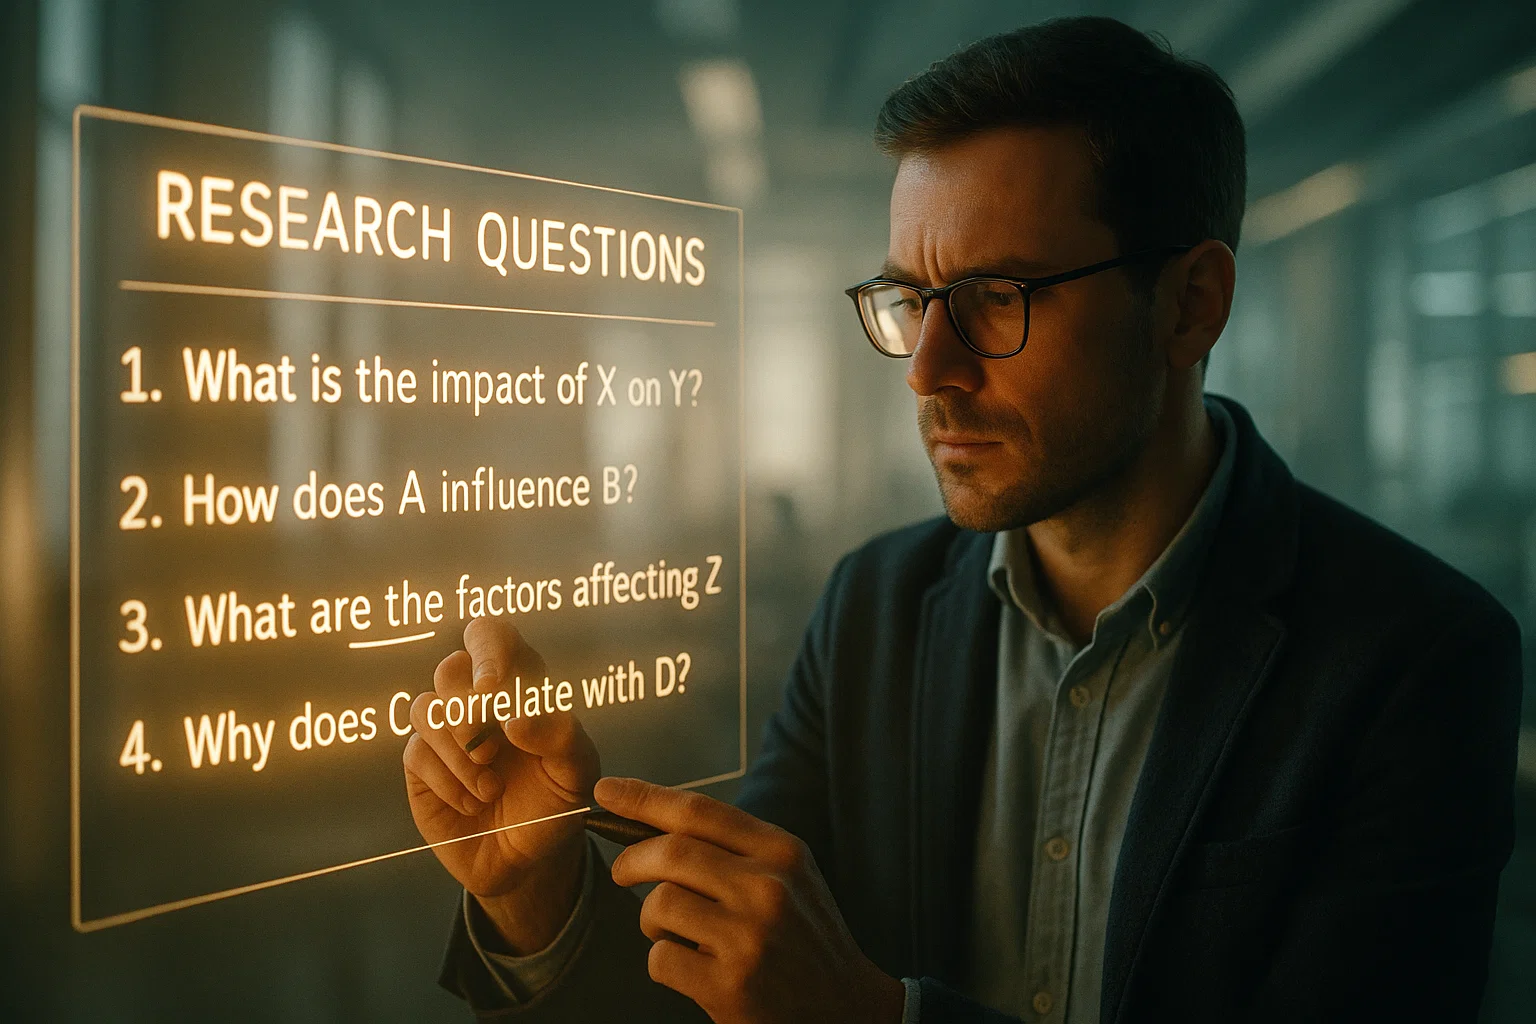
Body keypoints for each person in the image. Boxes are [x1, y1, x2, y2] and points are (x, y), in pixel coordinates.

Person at [402, 16, 1523, 1024]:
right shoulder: (873, 609)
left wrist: (878, 1019)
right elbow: (735, 988)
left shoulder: (1415, 656)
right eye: (911, 300)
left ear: (1191, 304)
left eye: (997, 298)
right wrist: (538, 893)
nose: (927, 370)